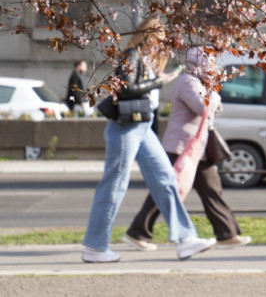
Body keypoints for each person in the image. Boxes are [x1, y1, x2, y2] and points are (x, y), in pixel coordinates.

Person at [81, 18, 216, 263]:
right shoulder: (131, 55)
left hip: (143, 127)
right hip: (126, 128)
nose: (160, 45)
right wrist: (159, 81)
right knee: (114, 184)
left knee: (166, 180)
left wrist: (157, 77)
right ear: (147, 36)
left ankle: (186, 240)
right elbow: (125, 88)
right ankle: (94, 247)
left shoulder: (146, 59)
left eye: (163, 41)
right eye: (158, 39)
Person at [124, 47, 251, 251]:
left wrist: (212, 96)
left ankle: (227, 233)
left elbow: (212, 108)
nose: (212, 66)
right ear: (198, 63)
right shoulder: (187, 82)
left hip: (196, 148)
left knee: (211, 189)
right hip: (181, 147)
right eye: (208, 62)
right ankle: (137, 232)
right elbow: (203, 107)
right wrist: (214, 95)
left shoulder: (199, 83)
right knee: (167, 190)